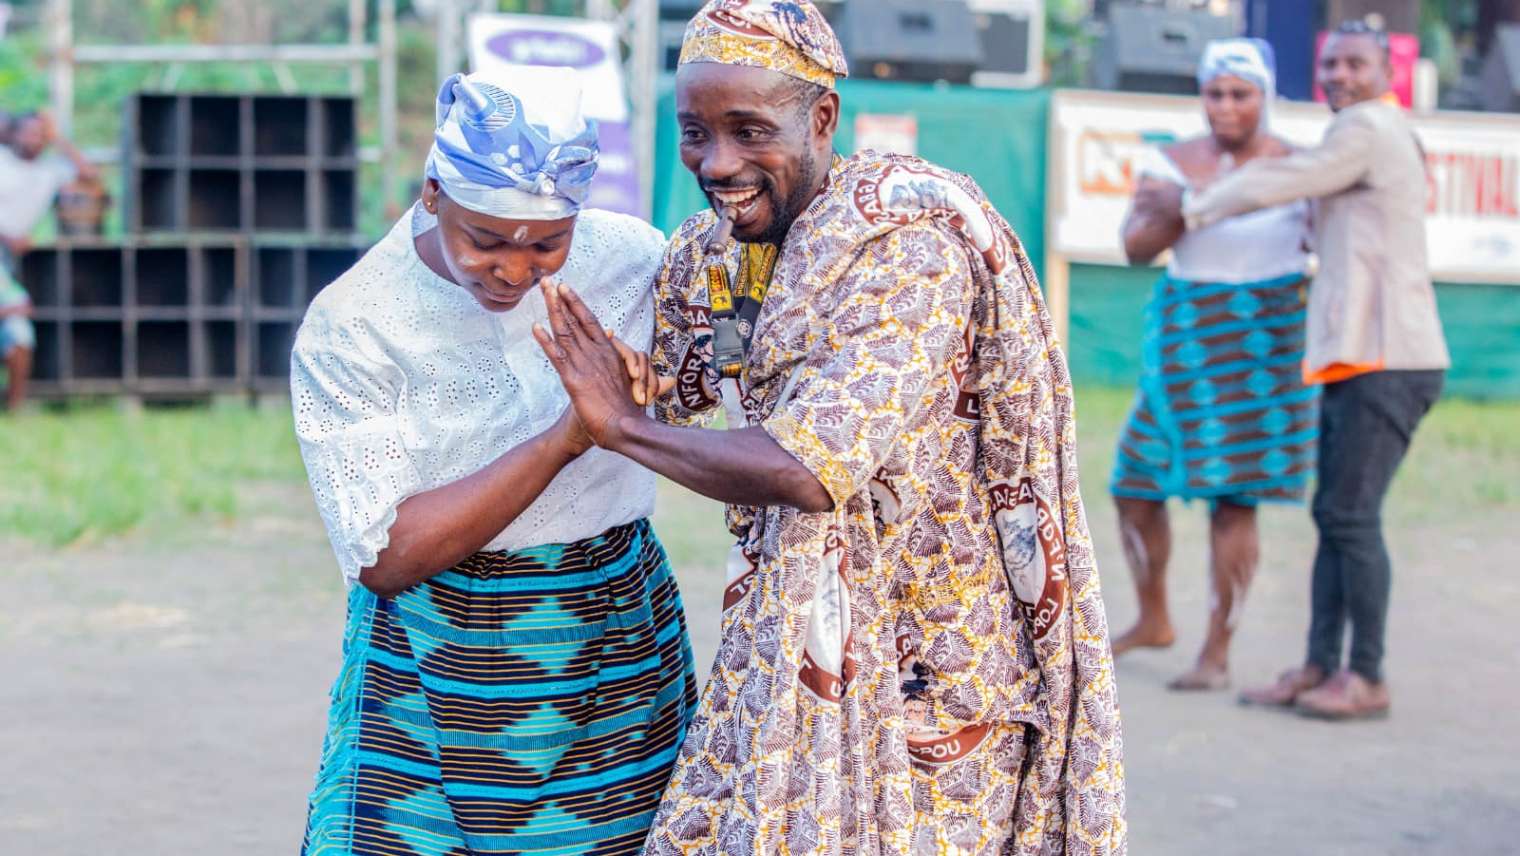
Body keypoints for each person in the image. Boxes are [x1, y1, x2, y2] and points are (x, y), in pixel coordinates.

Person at [533, 2, 1125, 852]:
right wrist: (637, 391)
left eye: (748, 130)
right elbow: (681, 387)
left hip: (929, 669)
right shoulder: (713, 254)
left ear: (821, 118)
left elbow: (809, 468)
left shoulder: (906, 247)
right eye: (694, 132)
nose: (718, 162)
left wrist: (623, 427)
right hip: (783, 645)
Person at [291, 67, 697, 854]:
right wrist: (568, 438)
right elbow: (387, 553)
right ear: (435, 193)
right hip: (436, 653)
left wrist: (655, 387)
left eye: (548, 244)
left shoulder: (631, 258)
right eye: (485, 240)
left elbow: (700, 385)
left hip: (607, 638)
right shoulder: (356, 323)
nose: (515, 269)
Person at [1173, 21, 1450, 720]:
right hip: (1362, 355)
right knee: (1336, 516)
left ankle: (1368, 676)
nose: (1339, 77)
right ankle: (1322, 665)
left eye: (1356, 63)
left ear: (1387, 69)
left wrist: (1195, 204)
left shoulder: (1365, 127)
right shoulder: (1368, 132)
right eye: (1329, 65)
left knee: (1351, 518)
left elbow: (1291, 177)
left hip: (1390, 358)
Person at [1108, 38, 1317, 691]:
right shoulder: (1171, 160)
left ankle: (1217, 653)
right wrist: (1176, 207)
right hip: (1187, 337)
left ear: (1267, 98)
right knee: (1133, 483)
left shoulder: (1299, 168)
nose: (1225, 107)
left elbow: (1328, 241)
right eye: (1215, 94)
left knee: (1234, 500)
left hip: (1263, 343)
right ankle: (1154, 617)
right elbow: (1138, 247)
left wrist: (1202, 200)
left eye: (1241, 94)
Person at [0, 110, 97, 410]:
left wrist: (58, 138)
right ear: (12, 134)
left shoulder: (50, 170)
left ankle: (14, 408)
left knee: (19, 331)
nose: (34, 139)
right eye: (28, 132)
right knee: (14, 307)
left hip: (12, 258)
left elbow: (89, 176)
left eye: (40, 134)